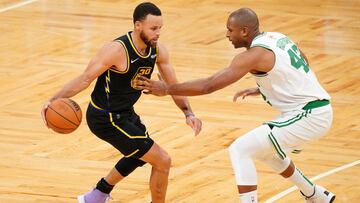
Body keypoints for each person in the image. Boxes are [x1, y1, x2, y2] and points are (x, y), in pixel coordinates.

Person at [134, 7, 335, 203]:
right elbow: (302, 61)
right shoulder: (276, 37)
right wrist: (266, 88)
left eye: (230, 30)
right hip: (313, 111)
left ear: (244, 31)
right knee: (267, 154)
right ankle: (315, 194)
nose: (227, 35)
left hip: (309, 115)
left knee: (240, 149)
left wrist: (167, 89)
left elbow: (208, 86)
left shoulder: (253, 55)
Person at [41, 2, 202, 203]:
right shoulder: (117, 50)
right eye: (153, 28)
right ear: (138, 26)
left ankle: (96, 195)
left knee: (141, 154)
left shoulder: (158, 51)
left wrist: (188, 113)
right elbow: (85, 79)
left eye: (160, 28)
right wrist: (53, 99)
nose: (158, 33)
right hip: (105, 117)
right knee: (162, 160)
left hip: (125, 113)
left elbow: (174, 85)